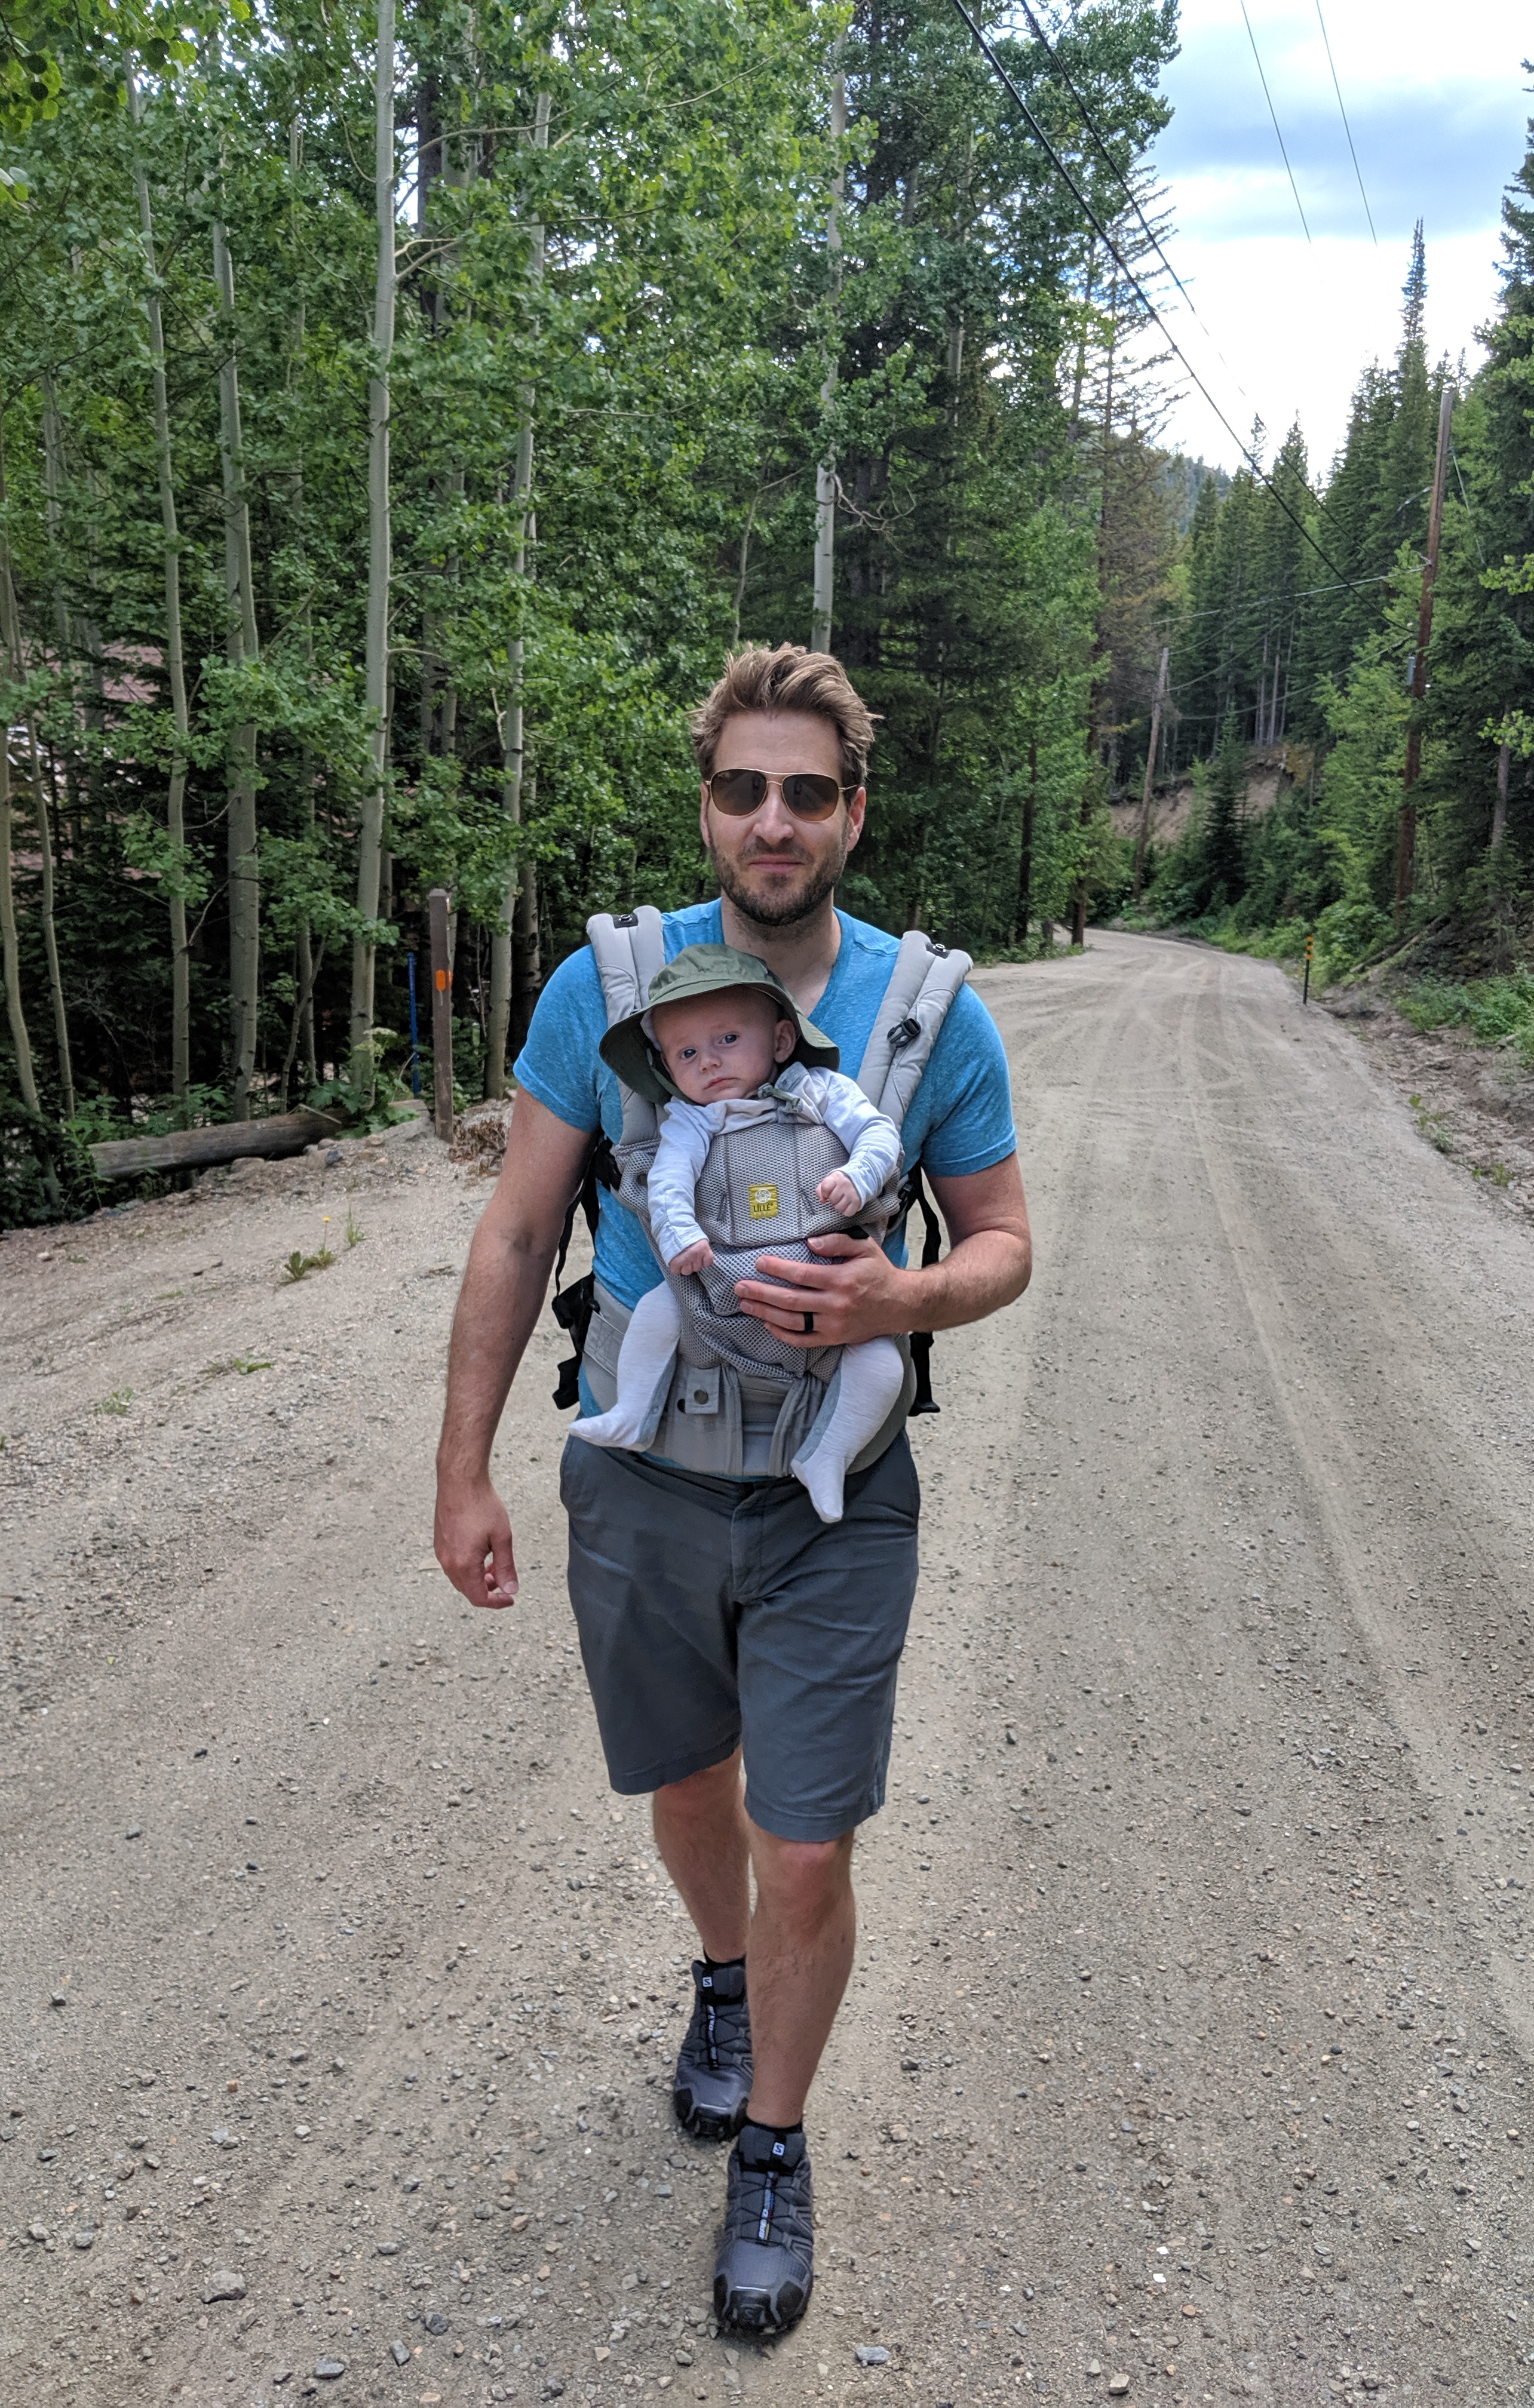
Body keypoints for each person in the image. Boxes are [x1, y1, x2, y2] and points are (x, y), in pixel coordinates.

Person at [433, 641, 1030, 2335]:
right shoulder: (603, 990)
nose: (773, 822)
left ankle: (773, 2144)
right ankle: (717, 1975)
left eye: (808, 793)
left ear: (852, 812)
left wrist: (899, 1300)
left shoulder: (926, 1019)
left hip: (837, 1492)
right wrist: (461, 1467)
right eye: (743, 789)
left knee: (810, 1842)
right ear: (708, 804)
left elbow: (1004, 1246)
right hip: (648, 1484)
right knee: (688, 1784)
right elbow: (517, 1230)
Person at [570, 943, 906, 1523]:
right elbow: (668, 1185)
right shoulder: (691, 1120)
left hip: (828, 1293)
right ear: (667, 1070)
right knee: (657, 1311)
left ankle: (826, 1456)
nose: (708, 1062)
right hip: (716, 1286)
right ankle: (631, 1411)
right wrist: (678, 1236)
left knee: (882, 1365)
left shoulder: (820, 1092)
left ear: (779, 1041)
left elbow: (880, 1136)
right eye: (687, 1052)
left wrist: (859, 1174)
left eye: (727, 1040)